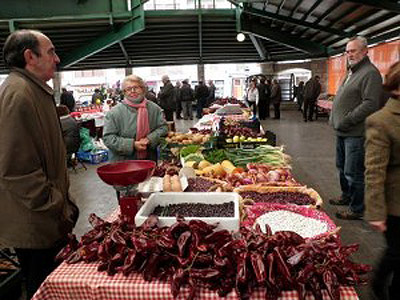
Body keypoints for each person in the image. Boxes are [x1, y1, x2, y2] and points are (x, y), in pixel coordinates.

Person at [0, 29, 79, 300]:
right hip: (35, 222)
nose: (57, 59)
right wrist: (55, 203)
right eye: (51, 52)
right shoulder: (18, 95)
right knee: (42, 288)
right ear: (29, 56)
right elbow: (16, 170)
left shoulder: (32, 91)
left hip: (44, 218)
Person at [329, 35, 383, 220]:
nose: (349, 54)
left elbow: (370, 104)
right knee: (342, 167)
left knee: (354, 172)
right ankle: (347, 196)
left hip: (356, 132)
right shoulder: (352, 71)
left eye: (353, 51)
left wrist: (348, 119)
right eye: (347, 51)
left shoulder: (370, 73)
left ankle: (357, 208)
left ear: (365, 51)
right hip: (343, 131)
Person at [364, 61, 400, 300]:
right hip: (396, 203)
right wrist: (376, 212)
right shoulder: (382, 120)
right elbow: (374, 170)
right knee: (397, 252)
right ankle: (379, 284)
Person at [103, 74, 168, 162]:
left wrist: (149, 139)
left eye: (136, 87)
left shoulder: (154, 109)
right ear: (124, 92)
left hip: (149, 160)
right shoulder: (114, 113)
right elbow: (108, 138)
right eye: (128, 89)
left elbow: (163, 128)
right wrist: (132, 145)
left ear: (143, 89)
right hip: (122, 162)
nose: (132, 91)